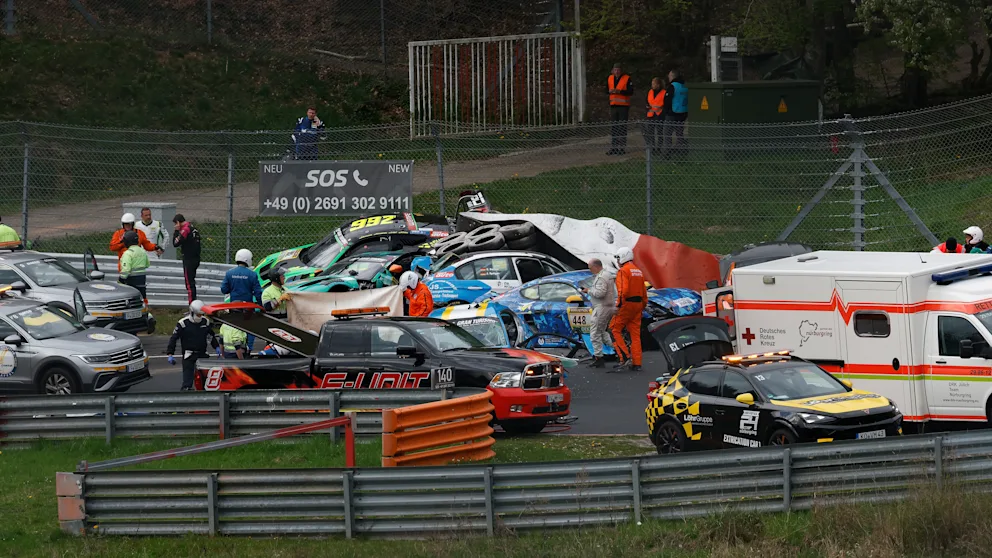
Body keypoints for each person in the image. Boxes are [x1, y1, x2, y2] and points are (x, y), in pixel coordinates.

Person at [166, 300, 220, 390]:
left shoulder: (205, 322)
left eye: (201, 315)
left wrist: (216, 347)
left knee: (206, 380)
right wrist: (170, 354)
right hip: (189, 355)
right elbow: (174, 339)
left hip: (202, 354)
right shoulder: (183, 324)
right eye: (198, 315)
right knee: (187, 381)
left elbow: (210, 336)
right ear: (191, 312)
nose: (200, 317)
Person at [610, 247, 647, 371]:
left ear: (623, 256)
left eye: (619, 257)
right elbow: (644, 291)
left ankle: (624, 357)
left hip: (626, 305)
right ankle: (637, 363)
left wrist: (618, 305)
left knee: (613, 329)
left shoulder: (623, 271)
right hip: (638, 305)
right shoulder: (638, 271)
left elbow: (623, 290)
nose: (618, 260)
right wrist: (643, 305)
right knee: (635, 335)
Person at [581, 258, 617, 368]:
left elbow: (600, 293)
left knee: (595, 332)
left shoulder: (602, 277)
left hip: (601, 307)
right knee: (602, 332)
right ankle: (620, 351)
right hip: (607, 306)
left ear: (596, 266)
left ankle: (599, 357)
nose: (590, 270)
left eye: (591, 268)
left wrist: (588, 291)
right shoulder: (608, 275)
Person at [172, 214, 202, 303]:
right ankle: (194, 305)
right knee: (191, 284)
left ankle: (192, 307)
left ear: (178, 222)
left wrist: (176, 231)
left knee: (189, 285)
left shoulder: (185, 229)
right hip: (196, 258)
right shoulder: (193, 227)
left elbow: (175, 243)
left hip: (189, 260)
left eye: (175, 224)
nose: (175, 226)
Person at [118, 231, 150, 305]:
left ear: (127, 242)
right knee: (143, 297)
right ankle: (146, 311)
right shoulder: (143, 251)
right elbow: (147, 264)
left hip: (131, 282)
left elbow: (126, 270)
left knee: (131, 300)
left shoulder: (128, 253)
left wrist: (120, 280)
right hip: (142, 281)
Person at [607, 63, 633, 155]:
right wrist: (609, 91)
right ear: (613, 70)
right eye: (615, 69)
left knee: (622, 127)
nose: (617, 71)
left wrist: (620, 92)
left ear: (621, 70)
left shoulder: (627, 78)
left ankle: (621, 148)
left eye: (618, 69)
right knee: (614, 127)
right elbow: (606, 90)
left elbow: (630, 91)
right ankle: (614, 147)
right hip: (613, 106)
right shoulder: (610, 78)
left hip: (623, 106)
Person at [662, 69, 689, 156]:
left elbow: (667, 100)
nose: (668, 77)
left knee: (667, 133)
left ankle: (667, 153)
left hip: (672, 113)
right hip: (683, 113)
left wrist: (665, 111)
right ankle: (681, 152)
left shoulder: (672, 86)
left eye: (669, 76)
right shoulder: (684, 85)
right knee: (679, 133)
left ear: (673, 76)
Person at [643, 77, 666, 154]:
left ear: (658, 84)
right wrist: (647, 106)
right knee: (650, 132)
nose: (652, 85)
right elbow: (647, 101)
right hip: (651, 114)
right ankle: (652, 147)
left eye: (654, 84)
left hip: (659, 114)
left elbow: (665, 103)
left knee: (659, 132)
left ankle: (659, 148)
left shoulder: (664, 92)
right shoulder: (650, 92)